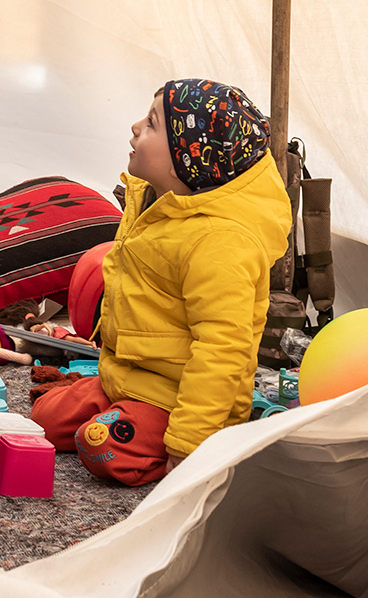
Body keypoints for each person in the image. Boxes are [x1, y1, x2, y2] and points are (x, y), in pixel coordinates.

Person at [31, 79, 292, 486]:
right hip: (127, 379)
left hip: (179, 402)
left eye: (152, 123)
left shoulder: (221, 243)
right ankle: (116, 407)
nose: (136, 127)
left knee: (100, 445)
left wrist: (187, 445)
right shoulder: (156, 208)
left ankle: (206, 447)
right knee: (44, 420)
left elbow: (223, 351)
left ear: (186, 160)